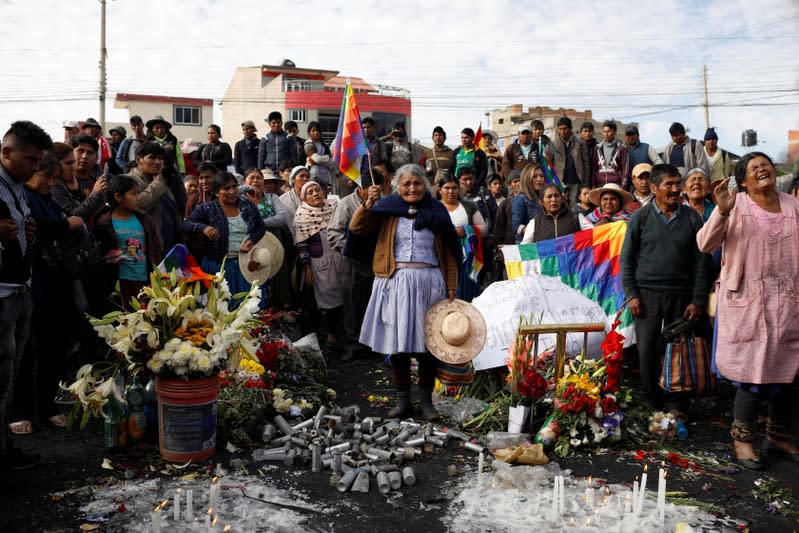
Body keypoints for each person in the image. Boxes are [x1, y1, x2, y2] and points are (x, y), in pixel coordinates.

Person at [696, 152, 799, 469]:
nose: (762, 169)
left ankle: (778, 435)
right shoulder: (734, 205)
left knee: (789, 374)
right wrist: (722, 213)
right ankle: (743, 441)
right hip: (748, 305)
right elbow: (704, 243)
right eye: (753, 168)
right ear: (742, 181)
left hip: (788, 305)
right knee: (752, 376)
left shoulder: (793, 205)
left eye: (765, 164)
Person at [349, 164, 460, 420]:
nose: (412, 188)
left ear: (426, 186)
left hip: (429, 283)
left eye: (417, 183)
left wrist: (451, 287)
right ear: (398, 186)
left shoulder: (437, 211)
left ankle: (425, 402)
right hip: (395, 281)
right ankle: (403, 401)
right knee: (397, 344)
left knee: (427, 346)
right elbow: (356, 229)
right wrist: (367, 204)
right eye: (407, 184)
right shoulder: (386, 208)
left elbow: (450, 254)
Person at [621, 163, 710, 417]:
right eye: (668, 184)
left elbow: (701, 261)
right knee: (647, 350)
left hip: (682, 296)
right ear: (654, 188)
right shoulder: (641, 217)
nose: (675, 189)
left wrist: (698, 299)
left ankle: (677, 403)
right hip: (647, 295)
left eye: (677, 183)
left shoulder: (692, 217)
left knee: (679, 350)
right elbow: (626, 259)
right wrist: (632, 295)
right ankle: (651, 401)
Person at [15, 154, 84, 432]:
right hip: (32, 284)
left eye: (55, 179)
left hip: (57, 283)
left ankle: (46, 408)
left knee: (53, 349)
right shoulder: (20, 198)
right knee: (25, 352)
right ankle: (19, 411)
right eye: (47, 177)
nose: (51, 183)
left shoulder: (49, 200)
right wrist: (66, 225)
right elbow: (35, 228)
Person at [0, 120, 53, 469]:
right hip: (1, 295)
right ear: (6, 152)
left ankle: (4, 450)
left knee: (9, 376)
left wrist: (27, 232)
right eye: (30, 159)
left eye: (38, 161)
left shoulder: (17, 188)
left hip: (20, 290)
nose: (36, 167)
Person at [183, 172, 267, 304]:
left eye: (234, 187)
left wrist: (251, 241)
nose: (232, 191)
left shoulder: (247, 205)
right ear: (217, 192)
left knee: (248, 307)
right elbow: (186, 224)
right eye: (226, 188)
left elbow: (260, 227)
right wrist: (203, 228)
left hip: (245, 265)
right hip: (218, 267)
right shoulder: (208, 209)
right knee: (222, 309)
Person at [93, 174, 162, 308]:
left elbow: (157, 248)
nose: (138, 198)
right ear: (118, 197)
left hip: (145, 282)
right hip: (120, 283)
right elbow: (99, 255)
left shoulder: (144, 219)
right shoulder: (104, 223)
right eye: (133, 194)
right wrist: (114, 256)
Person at [327, 182, 375, 360]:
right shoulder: (346, 204)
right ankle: (351, 344)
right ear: (361, 187)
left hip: (376, 261)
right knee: (351, 303)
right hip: (352, 262)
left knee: (373, 302)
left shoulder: (382, 202)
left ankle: (372, 343)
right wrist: (352, 248)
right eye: (370, 188)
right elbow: (333, 233)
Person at [294, 181, 343, 348]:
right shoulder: (302, 215)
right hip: (320, 264)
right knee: (328, 298)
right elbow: (301, 244)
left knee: (345, 294)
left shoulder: (336, 207)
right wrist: (307, 267)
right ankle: (330, 333)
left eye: (317, 190)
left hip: (340, 259)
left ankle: (343, 332)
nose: (315, 193)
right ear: (304, 198)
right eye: (310, 192)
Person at [439, 173, 486, 302]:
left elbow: (484, 228)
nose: (450, 191)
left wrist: (466, 231)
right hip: (440, 256)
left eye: (454, 188)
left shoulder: (469, 207)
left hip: (465, 260)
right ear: (440, 190)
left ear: (459, 190)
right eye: (446, 188)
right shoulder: (434, 207)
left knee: (464, 296)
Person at [129, 142, 182, 252]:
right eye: (152, 158)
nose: (158, 162)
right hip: (147, 248)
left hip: (171, 246)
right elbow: (136, 205)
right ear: (139, 160)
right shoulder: (128, 181)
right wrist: (157, 184)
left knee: (171, 270)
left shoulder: (160, 179)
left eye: (160, 158)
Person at [50, 141, 106, 221]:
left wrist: (76, 192)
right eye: (68, 163)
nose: (84, 157)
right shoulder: (53, 185)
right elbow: (72, 219)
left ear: (96, 157)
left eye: (89, 152)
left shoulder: (98, 177)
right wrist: (95, 194)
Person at [552, 117, 590, 208]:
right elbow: (550, 164)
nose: (562, 131)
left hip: (575, 181)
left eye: (565, 128)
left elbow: (586, 164)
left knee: (574, 208)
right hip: (560, 182)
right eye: (560, 129)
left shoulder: (580, 143)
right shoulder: (553, 144)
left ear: (570, 128)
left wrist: (585, 183)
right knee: (561, 207)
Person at [511, 164, 545, 242]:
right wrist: (535, 232)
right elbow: (516, 227)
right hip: (528, 248)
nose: (539, 179)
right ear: (527, 178)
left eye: (541, 176)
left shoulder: (544, 198)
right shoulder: (520, 199)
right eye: (535, 176)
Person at [591, 120, 629, 190]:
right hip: (600, 185)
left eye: (608, 131)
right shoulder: (598, 148)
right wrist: (593, 185)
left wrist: (623, 186)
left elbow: (625, 169)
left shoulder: (622, 148)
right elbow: (594, 168)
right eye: (604, 132)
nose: (606, 134)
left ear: (614, 132)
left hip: (616, 185)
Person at [279, 166, 311, 232]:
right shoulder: (283, 200)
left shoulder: (313, 197)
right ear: (293, 179)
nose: (305, 179)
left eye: (307, 177)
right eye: (302, 176)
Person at [304, 121, 334, 189]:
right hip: (313, 174)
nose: (316, 132)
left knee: (324, 196)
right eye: (313, 130)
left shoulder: (325, 145)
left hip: (325, 175)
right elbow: (317, 158)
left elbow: (332, 162)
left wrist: (317, 161)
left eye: (317, 130)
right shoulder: (308, 143)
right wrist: (327, 157)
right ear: (309, 133)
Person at [360, 117, 385, 186]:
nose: (366, 130)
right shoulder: (358, 143)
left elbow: (384, 161)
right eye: (364, 127)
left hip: (374, 177)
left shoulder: (379, 143)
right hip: (359, 177)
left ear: (373, 128)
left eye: (368, 127)